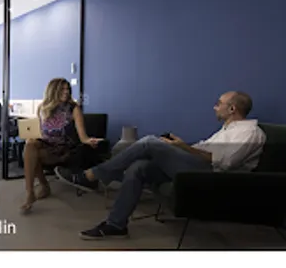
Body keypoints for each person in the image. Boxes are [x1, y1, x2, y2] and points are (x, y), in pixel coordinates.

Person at [55, 91, 267, 239]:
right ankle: (116, 224)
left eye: (219, 103)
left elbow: (226, 162)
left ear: (232, 108)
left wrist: (183, 148)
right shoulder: (228, 130)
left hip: (216, 179)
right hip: (201, 170)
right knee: (139, 167)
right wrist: (178, 146)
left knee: (149, 142)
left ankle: (92, 176)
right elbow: (205, 150)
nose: (215, 106)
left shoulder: (250, 133)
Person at [20, 77, 101, 212]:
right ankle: (30, 193)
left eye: (67, 89)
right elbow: (40, 132)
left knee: (33, 155)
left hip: (64, 150)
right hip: (45, 145)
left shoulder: (73, 108)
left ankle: (44, 186)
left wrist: (88, 140)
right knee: (30, 146)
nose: (66, 92)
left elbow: (83, 136)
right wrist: (32, 138)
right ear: (53, 90)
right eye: (62, 89)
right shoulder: (42, 108)